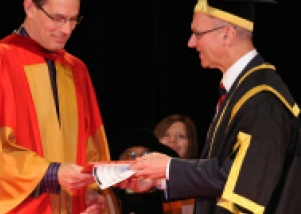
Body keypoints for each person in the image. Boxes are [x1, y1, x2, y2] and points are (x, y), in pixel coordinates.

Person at [122, 0, 301, 213]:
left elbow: (247, 180)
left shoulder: (263, 100)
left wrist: (171, 168)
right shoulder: (240, 91)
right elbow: (223, 175)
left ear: (227, 34)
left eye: (198, 34)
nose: (190, 43)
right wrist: (162, 178)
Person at [0, 0, 111, 213]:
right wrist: (52, 173)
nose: (66, 30)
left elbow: (92, 147)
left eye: (73, 20)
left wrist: (92, 191)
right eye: (57, 18)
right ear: (30, 7)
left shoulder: (77, 71)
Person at [110, 127, 179, 214]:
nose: (138, 160)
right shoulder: (111, 197)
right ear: (120, 161)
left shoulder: (169, 195)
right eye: (131, 155)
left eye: (145, 154)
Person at [153, 114, 198, 214]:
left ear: (190, 144)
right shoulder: (143, 182)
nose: (172, 140)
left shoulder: (198, 184)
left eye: (181, 136)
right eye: (166, 135)